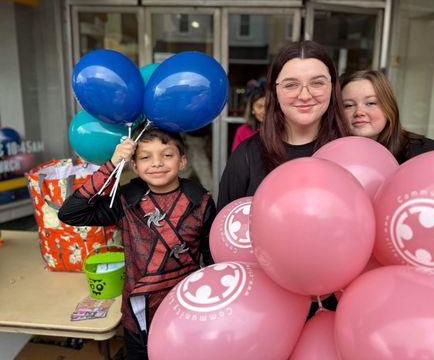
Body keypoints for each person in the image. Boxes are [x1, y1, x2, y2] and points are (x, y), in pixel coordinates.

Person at [58, 124, 215, 360]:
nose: (157, 163)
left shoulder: (201, 201)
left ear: (182, 161)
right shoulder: (125, 201)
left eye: (167, 155)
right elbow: (70, 213)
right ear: (134, 166)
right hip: (138, 318)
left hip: (185, 313)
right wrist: (111, 165)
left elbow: (212, 258)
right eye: (145, 157)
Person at [217, 40, 350, 211]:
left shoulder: (351, 155)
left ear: (333, 88)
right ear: (274, 92)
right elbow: (223, 230)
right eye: (291, 85)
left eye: (317, 83)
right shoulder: (247, 156)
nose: (304, 95)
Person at [341, 70, 434, 163]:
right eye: (349, 105)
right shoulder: (331, 153)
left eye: (371, 103)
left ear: (388, 107)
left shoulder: (429, 153)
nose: (359, 112)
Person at [231, 87, 265, 151]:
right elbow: (236, 158)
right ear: (252, 109)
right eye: (259, 106)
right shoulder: (242, 131)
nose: (264, 111)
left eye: (267, 106)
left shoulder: (279, 130)